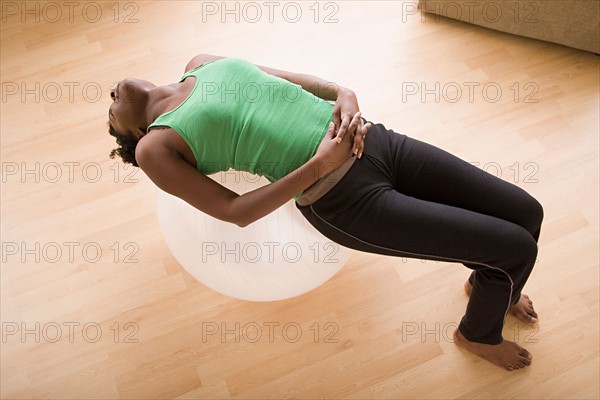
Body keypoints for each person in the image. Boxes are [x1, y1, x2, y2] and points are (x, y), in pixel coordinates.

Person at [108, 54, 543, 371]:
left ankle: (489, 287)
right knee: (514, 249)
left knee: (527, 212)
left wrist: (343, 92)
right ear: (135, 133)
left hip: (376, 141)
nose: (111, 95)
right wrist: (322, 164)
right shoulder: (154, 147)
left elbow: (288, 79)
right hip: (341, 198)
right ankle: (478, 335)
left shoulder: (201, 63)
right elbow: (234, 210)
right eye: (110, 112)